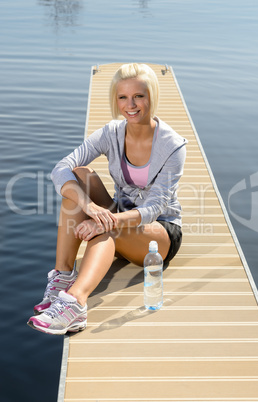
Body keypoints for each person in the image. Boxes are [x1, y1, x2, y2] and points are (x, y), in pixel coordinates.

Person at [27, 63, 188, 335]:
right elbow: (61, 168)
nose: (131, 104)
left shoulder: (173, 145)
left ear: (152, 96)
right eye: (123, 97)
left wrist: (105, 221)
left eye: (139, 95)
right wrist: (89, 206)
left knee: (107, 226)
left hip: (158, 234)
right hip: (121, 212)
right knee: (78, 176)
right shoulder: (111, 133)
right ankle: (62, 276)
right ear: (116, 100)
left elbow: (155, 206)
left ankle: (75, 303)